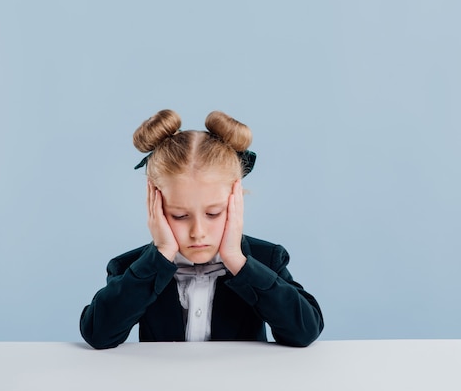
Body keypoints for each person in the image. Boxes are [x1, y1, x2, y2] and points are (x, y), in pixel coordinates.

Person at [79, 109, 324, 349]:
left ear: (235, 201)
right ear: (155, 206)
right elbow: (98, 334)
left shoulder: (266, 260)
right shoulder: (132, 268)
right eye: (180, 215)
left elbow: (305, 331)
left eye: (213, 213)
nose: (198, 231)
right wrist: (161, 255)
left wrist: (238, 262)